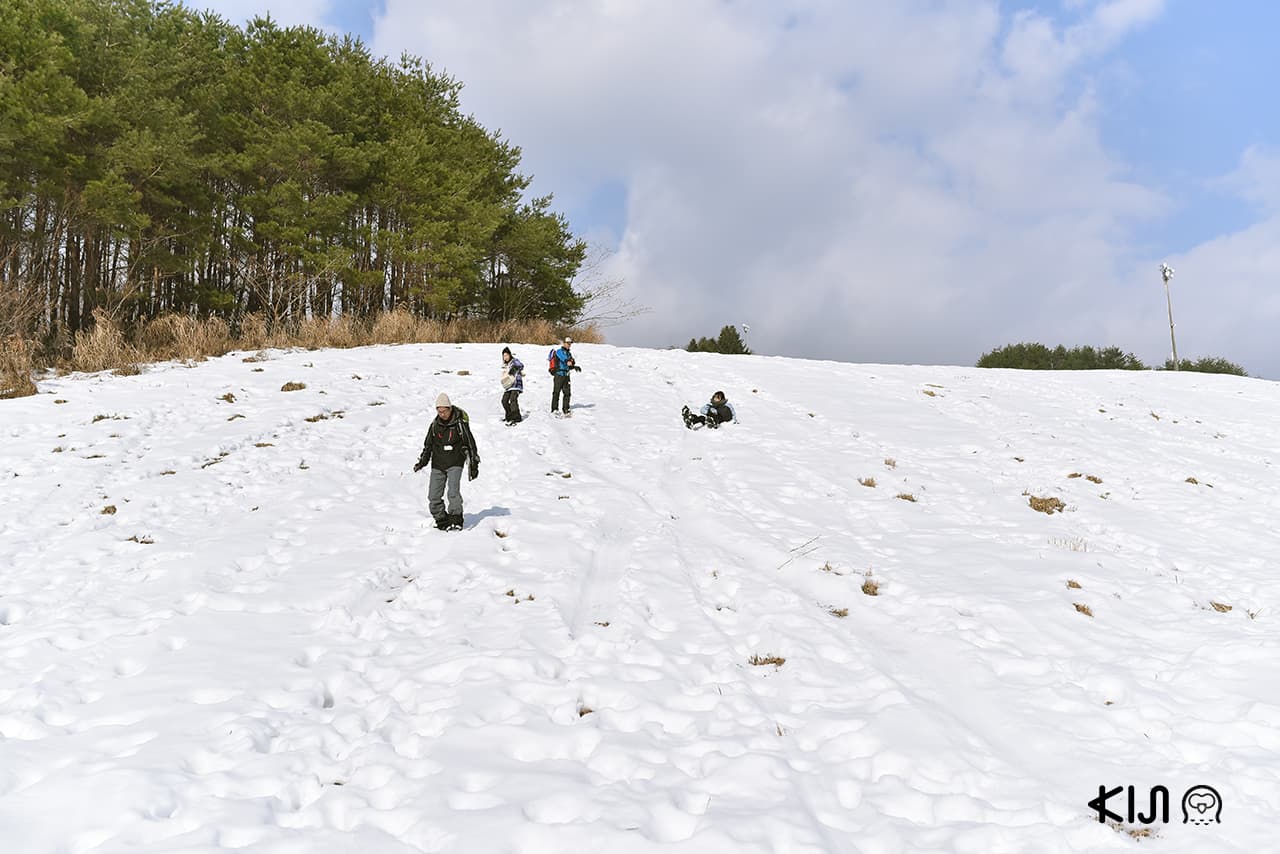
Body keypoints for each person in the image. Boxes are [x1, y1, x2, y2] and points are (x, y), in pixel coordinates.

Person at [412, 393, 479, 530]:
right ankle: (441, 520)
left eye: (444, 411)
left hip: (455, 461)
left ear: (450, 408)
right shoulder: (434, 425)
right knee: (433, 496)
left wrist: (474, 464)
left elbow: (470, 443)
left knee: (453, 493)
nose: (442, 414)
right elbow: (428, 446)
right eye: (439, 411)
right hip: (438, 463)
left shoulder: (460, 424)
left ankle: (456, 520)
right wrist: (422, 462)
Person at [547, 336, 581, 416]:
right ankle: (554, 409)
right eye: (567, 343)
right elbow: (565, 360)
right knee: (556, 393)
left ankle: (566, 409)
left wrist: (574, 366)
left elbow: (570, 363)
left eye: (570, 343)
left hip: (566, 375)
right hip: (559, 375)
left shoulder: (569, 353)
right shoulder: (559, 351)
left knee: (567, 393)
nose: (569, 345)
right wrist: (569, 361)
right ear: (564, 343)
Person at [500, 346, 524, 424]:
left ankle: (517, 417)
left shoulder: (514, 361)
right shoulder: (505, 365)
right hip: (508, 385)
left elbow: (521, 365)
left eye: (506, 355)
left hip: (516, 384)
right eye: (504, 356)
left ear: (510, 355)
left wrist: (513, 369)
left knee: (513, 399)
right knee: (504, 401)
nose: (505, 357)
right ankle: (509, 416)